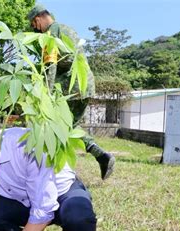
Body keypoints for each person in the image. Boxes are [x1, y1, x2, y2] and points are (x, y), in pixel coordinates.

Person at [27, 4, 115, 180]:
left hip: (71, 88)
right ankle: (101, 156)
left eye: (33, 26)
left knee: (60, 128)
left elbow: (50, 67)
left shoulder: (50, 35)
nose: (36, 30)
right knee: (69, 126)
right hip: (85, 83)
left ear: (37, 19)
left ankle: (57, 171)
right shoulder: (67, 29)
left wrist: (47, 94)